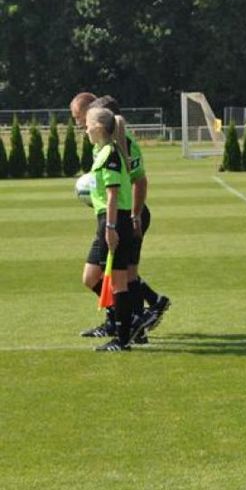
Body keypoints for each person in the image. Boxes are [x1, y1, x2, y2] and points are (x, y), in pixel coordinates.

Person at [71, 93, 170, 342]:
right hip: (111, 217)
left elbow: (139, 181)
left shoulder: (122, 144)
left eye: (80, 118)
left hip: (127, 216)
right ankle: (124, 319)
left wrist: (134, 216)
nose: (80, 124)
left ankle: (135, 326)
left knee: (125, 277)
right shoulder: (99, 144)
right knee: (94, 277)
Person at [82, 107, 142, 351]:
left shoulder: (110, 154)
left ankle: (123, 337)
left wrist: (110, 227)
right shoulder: (104, 152)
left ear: (97, 127)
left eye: (87, 124)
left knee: (119, 282)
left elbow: (113, 194)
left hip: (115, 222)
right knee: (92, 277)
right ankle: (123, 327)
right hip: (108, 221)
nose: (84, 128)